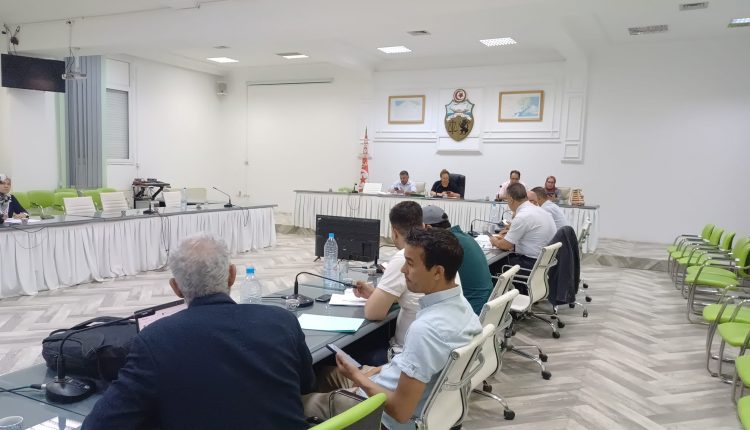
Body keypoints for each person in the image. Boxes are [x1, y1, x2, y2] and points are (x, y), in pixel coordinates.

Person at [83, 234, 315, 430]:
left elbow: (98, 425)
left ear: (176, 288)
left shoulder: (154, 341)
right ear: (232, 275)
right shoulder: (282, 320)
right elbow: (307, 385)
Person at [303, 228, 481, 430]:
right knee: (323, 373)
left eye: (410, 263)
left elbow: (400, 411)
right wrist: (376, 371)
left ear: (437, 272)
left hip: (379, 414)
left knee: (295, 403)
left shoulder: (426, 330)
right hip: (397, 388)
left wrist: (356, 377)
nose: (403, 270)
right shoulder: (464, 309)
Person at [353, 201, 463, 363]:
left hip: (407, 355)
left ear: (394, 232)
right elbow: (413, 296)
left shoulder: (403, 257)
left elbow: (373, 312)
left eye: (409, 264)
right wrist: (376, 294)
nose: (404, 270)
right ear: (423, 225)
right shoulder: (439, 252)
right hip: (437, 353)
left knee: (339, 356)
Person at [422, 205, 493, 315]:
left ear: (428, 228)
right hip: (485, 304)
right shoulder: (463, 236)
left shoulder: (447, 245)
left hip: (472, 309)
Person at [489, 183, 556, 293]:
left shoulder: (522, 216)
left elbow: (505, 246)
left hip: (530, 263)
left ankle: (497, 299)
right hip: (542, 264)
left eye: (507, 200)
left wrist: (494, 240)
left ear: (511, 199)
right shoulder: (540, 210)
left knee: (490, 265)